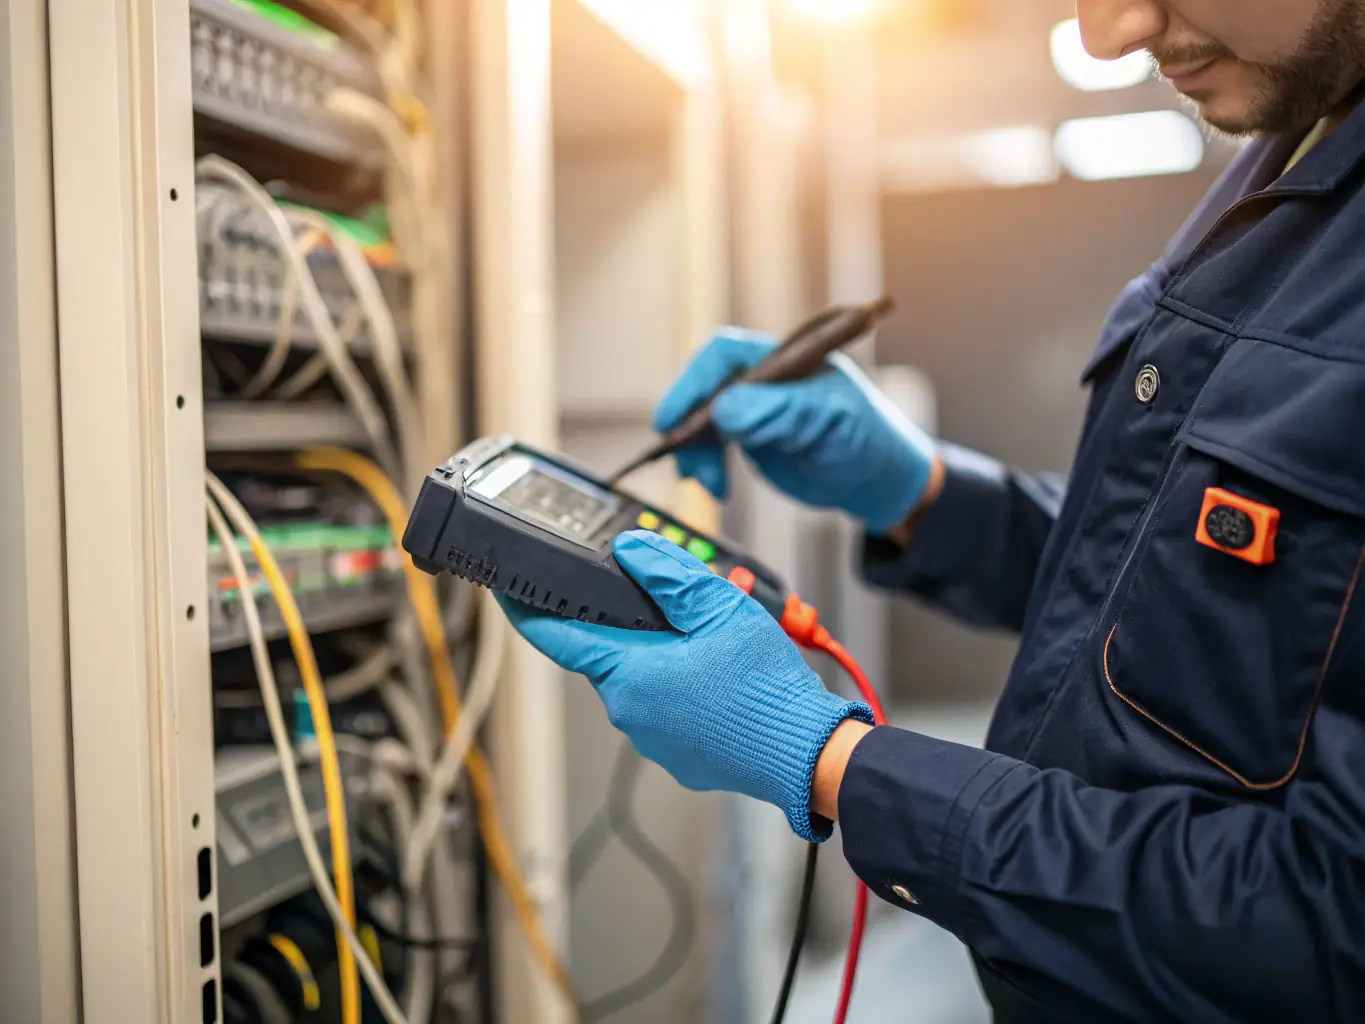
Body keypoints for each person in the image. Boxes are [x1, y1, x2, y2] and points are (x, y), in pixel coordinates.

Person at [501, 2, 1365, 1020]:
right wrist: (923, 494)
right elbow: (1223, 606)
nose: (1109, 35)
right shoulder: (1294, 134)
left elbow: (1327, 923)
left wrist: (835, 764)